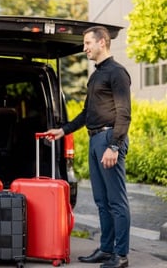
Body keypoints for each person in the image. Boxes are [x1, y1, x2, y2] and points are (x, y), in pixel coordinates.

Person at [46, 26, 131, 268]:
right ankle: (106, 249)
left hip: (108, 139)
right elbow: (87, 113)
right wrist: (62, 130)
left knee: (117, 201)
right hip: (95, 139)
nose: (84, 48)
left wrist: (114, 146)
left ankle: (121, 254)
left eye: (87, 43)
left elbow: (124, 114)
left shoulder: (117, 73)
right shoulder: (96, 75)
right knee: (102, 201)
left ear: (102, 42)